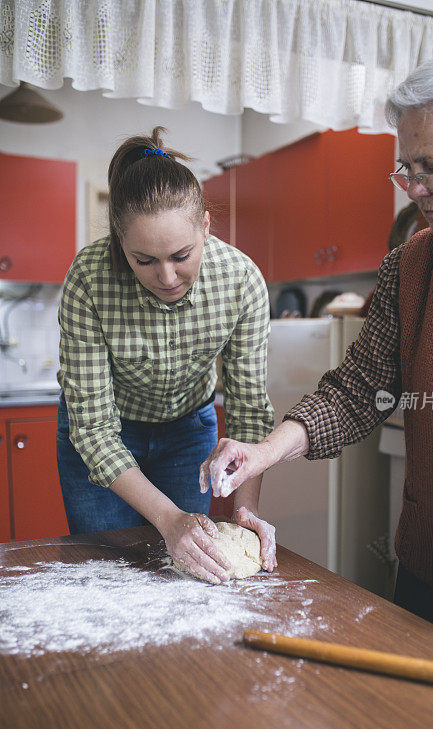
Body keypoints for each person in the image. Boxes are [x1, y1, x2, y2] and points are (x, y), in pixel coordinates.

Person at [200, 45, 433, 674]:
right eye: (404, 166)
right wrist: (266, 451)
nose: (412, 188)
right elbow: (356, 390)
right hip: (426, 579)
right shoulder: (410, 267)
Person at [57, 127, 276, 583]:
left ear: (206, 227)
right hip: (104, 435)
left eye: (182, 254)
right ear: (120, 242)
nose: (168, 276)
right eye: (144, 260)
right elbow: (93, 428)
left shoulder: (241, 282)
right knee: (107, 574)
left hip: (187, 433)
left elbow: (249, 412)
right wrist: (167, 517)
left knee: (181, 574)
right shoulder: (89, 279)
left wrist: (246, 507)